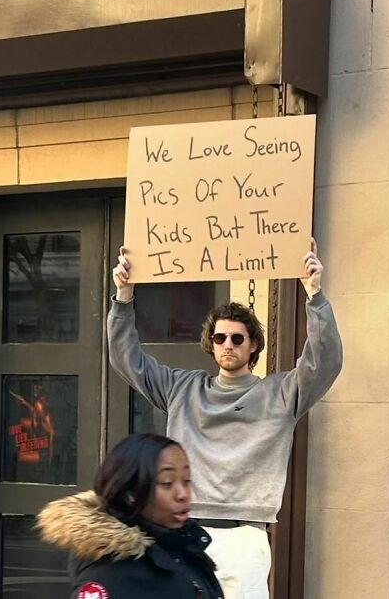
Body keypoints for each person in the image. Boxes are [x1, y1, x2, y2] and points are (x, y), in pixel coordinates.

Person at [108, 239, 343, 598]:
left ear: (253, 345)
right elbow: (128, 361)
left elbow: (324, 361)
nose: (228, 343)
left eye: (237, 337)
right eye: (220, 337)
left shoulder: (279, 394)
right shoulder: (181, 388)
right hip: (184, 530)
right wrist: (123, 298)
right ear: (211, 344)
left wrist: (314, 294)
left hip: (244, 538)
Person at [38, 433, 223, 599]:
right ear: (130, 494)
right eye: (167, 483)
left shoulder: (182, 548)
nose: (183, 494)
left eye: (187, 481)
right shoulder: (108, 573)